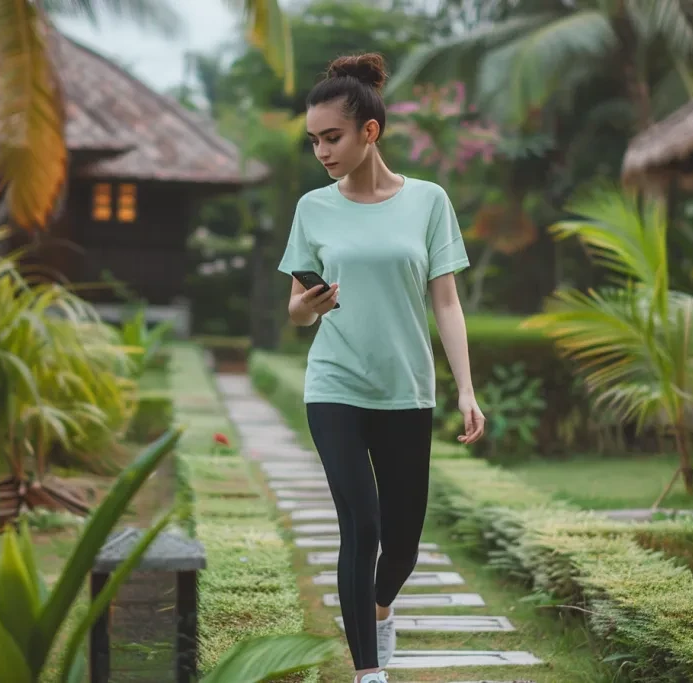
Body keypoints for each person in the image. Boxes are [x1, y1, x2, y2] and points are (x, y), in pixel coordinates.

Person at [276, 52, 486, 683]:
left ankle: (381, 605)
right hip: (334, 385)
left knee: (402, 542)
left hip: (405, 390)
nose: (321, 151)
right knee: (360, 524)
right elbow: (294, 313)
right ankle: (370, 673)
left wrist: (467, 391)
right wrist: (308, 308)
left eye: (332, 137)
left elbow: (445, 302)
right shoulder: (313, 208)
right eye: (314, 140)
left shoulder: (428, 202)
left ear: (370, 131)